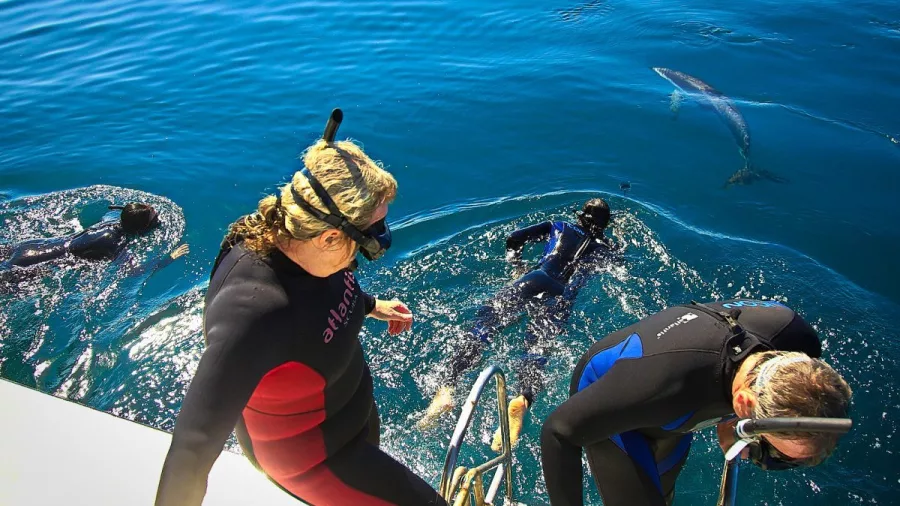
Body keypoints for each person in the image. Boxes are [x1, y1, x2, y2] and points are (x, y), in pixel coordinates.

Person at [155, 110, 447, 506]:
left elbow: (317, 308)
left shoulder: (300, 244)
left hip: (352, 423)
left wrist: (370, 304)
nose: (372, 248)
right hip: (318, 461)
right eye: (371, 239)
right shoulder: (254, 313)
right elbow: (190, 452)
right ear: (328, 237)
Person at [540, 299, 853, 506]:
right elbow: (557, 432)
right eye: (767, 447)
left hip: (678, 406)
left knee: (661, 494)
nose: (753, 455)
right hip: (615, 402)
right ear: (743, 406)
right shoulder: (664, 389)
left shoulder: (794, 336)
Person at [419, 198, 619, 452]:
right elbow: (616, 261)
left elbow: (514, 238)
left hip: (536, 277)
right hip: (562, 293)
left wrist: (517, 267)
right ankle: (523, 399)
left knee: (485, 325)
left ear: (581, 215)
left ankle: (447, 386)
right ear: (605, 224)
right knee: (537, 347)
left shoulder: (560, 225)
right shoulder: (604, 248)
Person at [0, 202, 188, 272]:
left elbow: (115, 212)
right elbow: (134, 271)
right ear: (142, 229)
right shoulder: (116, 243)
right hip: (31, 265)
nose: (157, 216)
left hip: (29, 247)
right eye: (153, 217)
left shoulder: (108, 221)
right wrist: (168, 259)